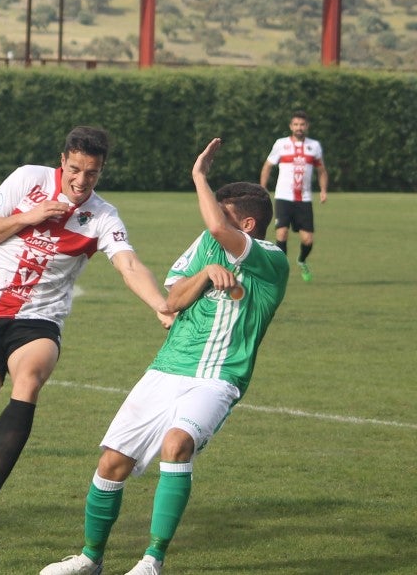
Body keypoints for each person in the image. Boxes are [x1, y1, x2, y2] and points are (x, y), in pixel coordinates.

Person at [41, 138, 289, 575]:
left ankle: (152, 560)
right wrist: (205, 276)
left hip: (218, 378)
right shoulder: (205, 246)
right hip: (166, 368)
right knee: (111, 463)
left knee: (178, 446)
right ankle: (89, 558)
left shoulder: (271, 260)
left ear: (247, 224)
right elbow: (172, 301)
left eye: (225, 214)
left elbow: (217, 229)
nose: (213, 220)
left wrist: (199, 177)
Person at [0, 126, 173, 553]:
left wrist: (160, 305)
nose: (81, 181)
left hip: (39, 321)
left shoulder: (103, 216)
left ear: (100, 171)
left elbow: (128, 264)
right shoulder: (27, 179)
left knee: (28, 380)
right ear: (62, 161)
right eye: (75, 169)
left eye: (91, 174)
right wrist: (27, 217)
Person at [259, 110, 328, 282]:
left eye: (302, 124)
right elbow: (267, 166)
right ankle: (280, 270)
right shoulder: (281, 144)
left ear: (307, 126)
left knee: (307, 239)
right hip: (283, 197)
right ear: (291, 126)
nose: (299, 127)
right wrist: (262, 188)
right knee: (281, 234)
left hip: (304, 199)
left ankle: (302, 260)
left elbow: (322, 171)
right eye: (296, 124)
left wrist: (323, 190)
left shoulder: (314, 146)